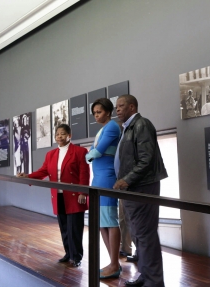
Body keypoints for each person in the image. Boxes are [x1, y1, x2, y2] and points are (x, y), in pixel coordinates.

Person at [113, 94, 167, 287]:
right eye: (116, 106)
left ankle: (154, 282)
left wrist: (126, 180)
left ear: (132, 107)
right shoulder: (127, 128)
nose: (117, 109)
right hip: (132, 188)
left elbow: (146, 159)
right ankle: (145, 276)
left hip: (142, 187)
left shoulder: (141, 124)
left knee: (145, 234)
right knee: (138, 235)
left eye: (121, 106)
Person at [17, 124, 89, 267]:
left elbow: (84, 173)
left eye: (63, 134)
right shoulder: (51, 154)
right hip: (58, 195)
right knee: (63, 227)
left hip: (75, 196)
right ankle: (68, 253)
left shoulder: (80, 151)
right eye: (57, 134)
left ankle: (76, 257)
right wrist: (28, 176)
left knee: (74, 227)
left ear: (70, 135)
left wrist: (83, 192)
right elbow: (43, 171)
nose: (59, 137)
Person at [85, 98, 122, 279]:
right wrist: (91, 153)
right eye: (94, 113)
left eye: (99, 112)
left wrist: (91, 154)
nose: (96, 115)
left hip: (107, 178)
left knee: (111, 221)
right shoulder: (102, 129)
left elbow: (96, 152)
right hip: (98, 178)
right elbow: (91, 152)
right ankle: (112, 262)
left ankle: (115, 263)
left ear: (108, 112)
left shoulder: (112, 127)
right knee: (101, 223)